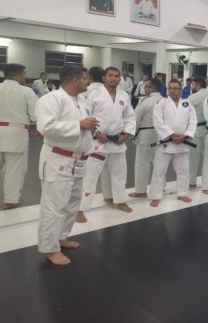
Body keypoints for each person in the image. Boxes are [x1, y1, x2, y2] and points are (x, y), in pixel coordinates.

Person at [35, 66, 98, 265]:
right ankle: (49, 248)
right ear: (74, 80)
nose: (88, 82)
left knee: (72, 203)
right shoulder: (51, 99)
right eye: (85, 78)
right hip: (58, 159)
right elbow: (45, 127)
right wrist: (79, 125)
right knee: (54, 206)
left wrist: (90, 128)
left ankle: (61, 236)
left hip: (79, 160)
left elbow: (85, 126)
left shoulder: (82, 100)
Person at [76, 67, 136, 223]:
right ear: (104, 78)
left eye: (116, 76)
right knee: (89, 177)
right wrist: (97, 133)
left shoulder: (124, 95)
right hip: (98, 142)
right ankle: (80, 209)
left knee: (120, 174)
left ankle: (120, 201)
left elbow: (130, 117)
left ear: (120, 79)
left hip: (117, 142)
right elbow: (85, 115)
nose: (113, 78)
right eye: (110, 75)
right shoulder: (93, 94)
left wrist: (126, 135)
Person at [149, 79, 197, 206]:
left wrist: (185, 136)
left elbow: (193, 121)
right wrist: (170, 134)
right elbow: (157, 121)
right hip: (165, 142)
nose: (173, 90)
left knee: (184, 170)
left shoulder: (187, 103)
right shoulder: (161, 103)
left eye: (175, 88)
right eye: (170, 88)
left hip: (182, 142)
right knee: (159, 171)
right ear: (167, 89)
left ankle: (182, 193)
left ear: (180, 89)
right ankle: (156, 196)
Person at [0, 64, 38, 209]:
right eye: (24, 74)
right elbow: (36, 115)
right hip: (16, 133)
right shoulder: (26, 91)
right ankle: (10, 200)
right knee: (14, 169)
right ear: (18, 74)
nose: (25, 77)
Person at [129, 79, 163, 198]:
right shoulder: (165, 100)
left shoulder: (146, 101)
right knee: (159, 162)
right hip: (161, 135)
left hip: (147, 134)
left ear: (151, 88)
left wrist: (132, 134)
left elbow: (136, 118)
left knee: (142, 163)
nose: (144, 88)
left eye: (146, 86)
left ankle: (141, 190)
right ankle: (161, 186)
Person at [188, 77, 208, 188]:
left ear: (198, 85)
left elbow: (186, 113)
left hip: (196, 129)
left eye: (192, 85)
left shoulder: (193, 97)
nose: (191, 86)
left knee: (193, 157)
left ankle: (192, 181)